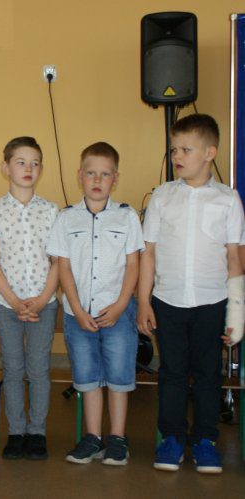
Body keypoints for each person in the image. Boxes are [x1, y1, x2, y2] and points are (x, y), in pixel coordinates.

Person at [137, 114, 244, 474]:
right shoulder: (162, 197)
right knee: (172, 372)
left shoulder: (228, 200)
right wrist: (144, 301)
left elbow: (235, 258)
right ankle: (171, 439)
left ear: (210, 153)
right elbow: (148, 253)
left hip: (212, 303)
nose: (177, 156)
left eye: (186, 149)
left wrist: (237, 314)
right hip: (168, 301)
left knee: (208, 373)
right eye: (174, 150)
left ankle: (205, 441)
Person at [47, 142, 144, 466]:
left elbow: (133, 265)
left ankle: (117, 438)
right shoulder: (66, 218)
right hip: (78, 315)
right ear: (80, 176)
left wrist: (120, 305)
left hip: (117, 313)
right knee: (87, 378)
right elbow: (63, 267)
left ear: (115, 178)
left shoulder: (127, 216)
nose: (97, 180)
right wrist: (75, 308)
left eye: (105, 174)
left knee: (118, 378)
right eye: (91, 173)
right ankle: (92, 437)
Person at [0, 137, 59, 460]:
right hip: (7, 306)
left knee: (38, 369)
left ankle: (37, 431)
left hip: (44, 304)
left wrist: (42, 299)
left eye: (35, 163)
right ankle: (16, 432)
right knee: (13, 369)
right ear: (6, 168)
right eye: (21, 162)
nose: (29, 168)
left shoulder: (51, 211)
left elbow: (58, 262)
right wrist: (14, 301)